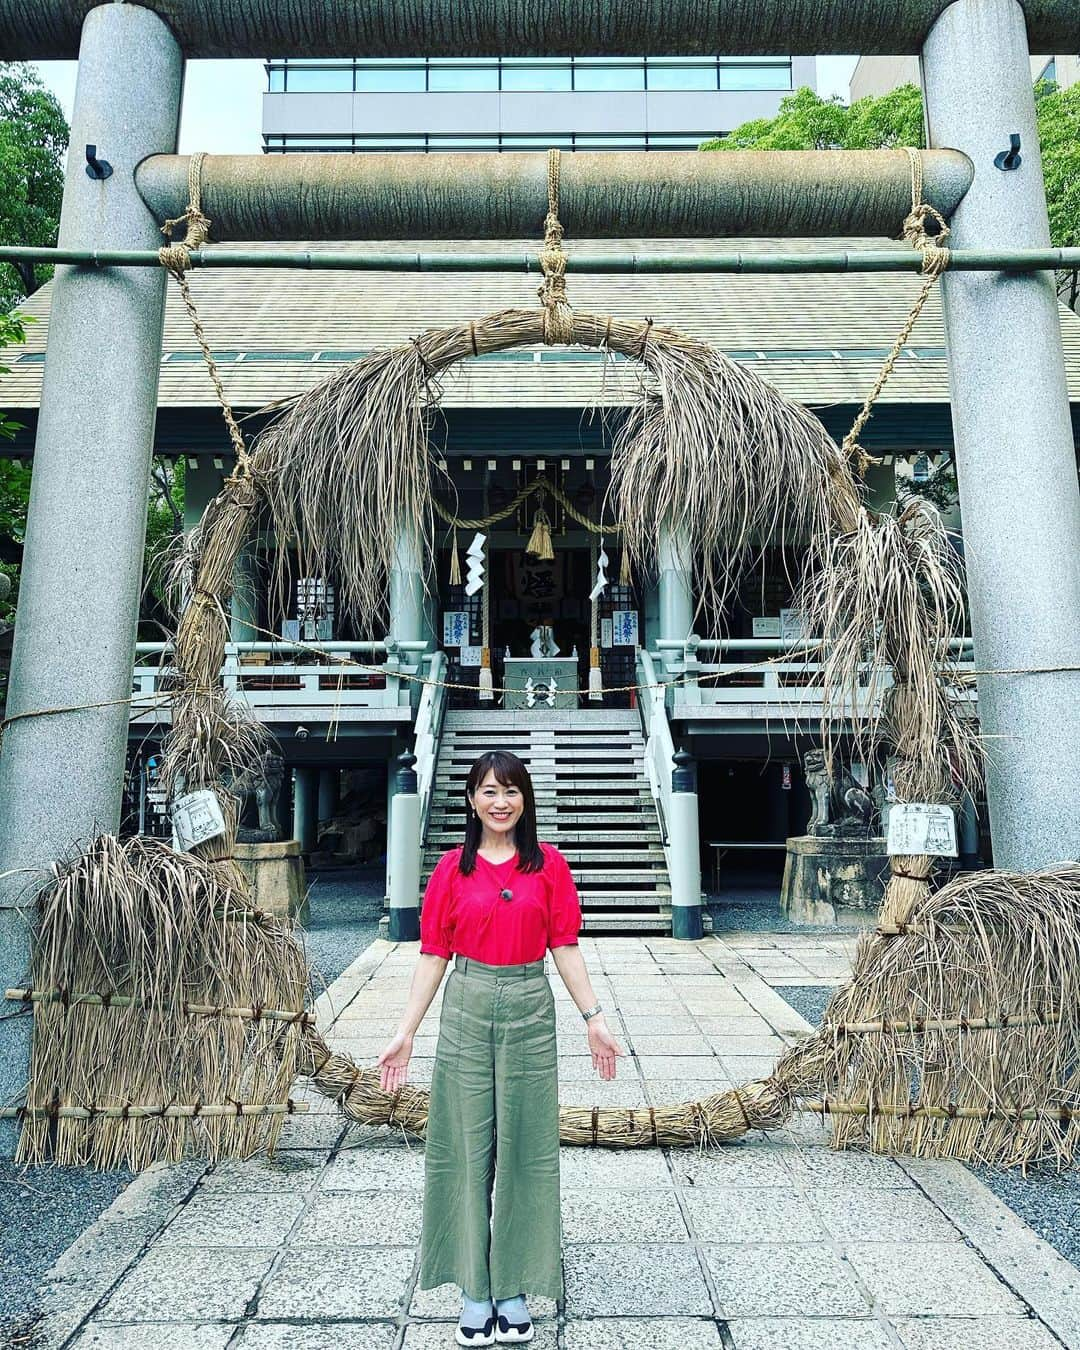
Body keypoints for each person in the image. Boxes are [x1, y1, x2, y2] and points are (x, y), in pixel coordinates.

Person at [377, 749, 625, 1346]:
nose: (500, 802)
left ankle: (513, 1282)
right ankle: (472, 1285)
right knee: (463, 1145)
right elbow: (434, 952)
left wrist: (593, 1017)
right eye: (488, 790)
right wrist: (406, 1030)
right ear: (471, 800)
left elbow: (563, 944)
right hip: (466, 1004)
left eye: (511, 791)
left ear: (525, 800)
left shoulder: (549, 868)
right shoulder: (450, 871)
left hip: (528, 1005)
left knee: (525, 1146)